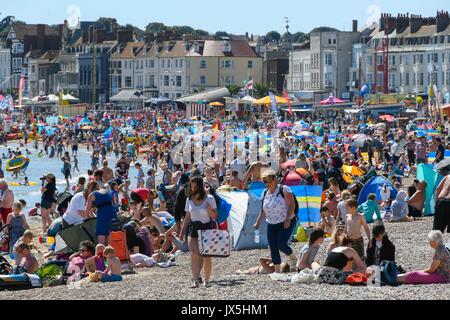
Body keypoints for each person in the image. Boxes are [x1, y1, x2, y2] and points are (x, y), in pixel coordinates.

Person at [254, 169, 297, 273]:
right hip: (271, 223)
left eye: (269, 181)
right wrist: (258, 222)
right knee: (273, 247)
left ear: (274, 180)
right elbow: (264, 210)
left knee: (281, 244)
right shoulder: (265, 193)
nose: (267, 184)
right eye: (264, 181)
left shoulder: (284, 190)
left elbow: (292, 205)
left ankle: (293, 257)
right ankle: (277, 272)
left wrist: (287, 219)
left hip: (286, 221)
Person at [180, 176, 218, 288]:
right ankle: (195, 280)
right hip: (193, 228)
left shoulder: (209, 198)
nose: (193, 189)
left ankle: (206, 280)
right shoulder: (189, 199)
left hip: (206, 227)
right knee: (194, 254)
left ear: (200, 187)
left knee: (206, 256)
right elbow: (187, 217)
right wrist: (182, 231)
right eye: (191, 187)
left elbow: (215, 216)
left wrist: (208, 207)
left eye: (195, 187)